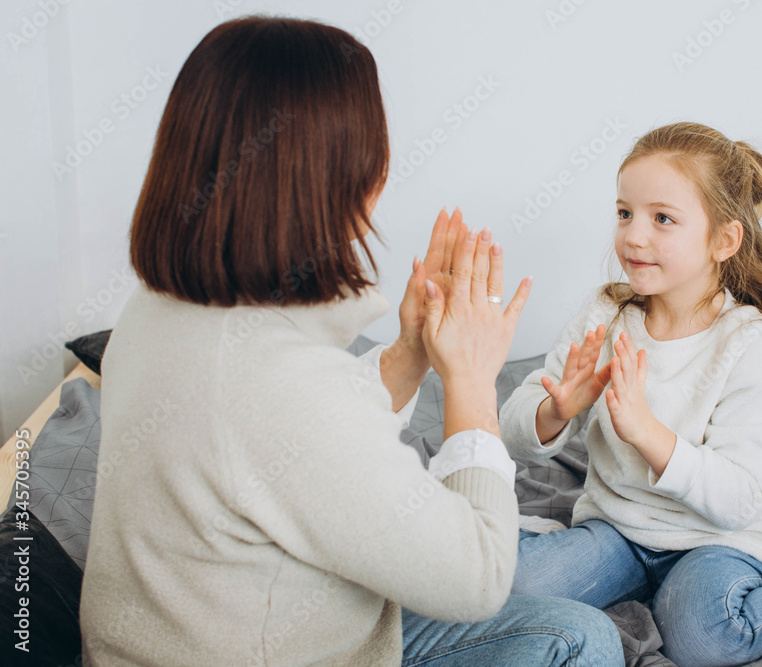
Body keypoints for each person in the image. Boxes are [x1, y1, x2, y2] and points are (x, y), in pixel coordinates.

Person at [78, 15, 624, 666]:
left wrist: (408, 353)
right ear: (342, 177)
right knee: (584, 641)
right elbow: (478, 577)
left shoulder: (154, 311)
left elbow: (288, 455)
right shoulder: (283, 383)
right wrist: (472, 380)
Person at [498, 122, 762, 667]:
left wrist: (649, 436)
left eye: (662, 219)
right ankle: (568, 552)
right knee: (506, 590)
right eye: (625, 213)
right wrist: (555, 409)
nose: (634, 236)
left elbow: (742, 498)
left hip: (719, 538)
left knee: (704, 640)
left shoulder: (749, 343)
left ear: (724, 240)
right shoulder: (606, 314)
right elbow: (515, 433)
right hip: (616, 528)